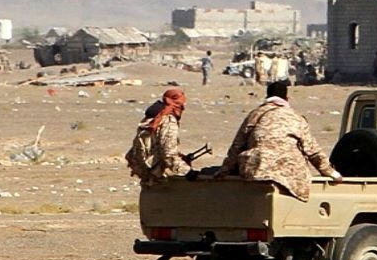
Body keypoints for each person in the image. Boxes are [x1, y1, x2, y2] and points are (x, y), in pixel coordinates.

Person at [215, 81, 343, 201]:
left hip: (256, 172)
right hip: (291, 176)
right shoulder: (296, 118)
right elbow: (313, 152)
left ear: (267, 96)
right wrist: (332, 173)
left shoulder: (253, 116)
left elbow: (237, 147)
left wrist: (223, 172)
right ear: (287, 99)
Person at [125, 88, 192, 187]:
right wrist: (188, 172)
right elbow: (168, 154)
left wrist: (182, 158)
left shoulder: (151, 119)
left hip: (146, 174)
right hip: (159, 176)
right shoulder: (168, 121)